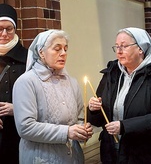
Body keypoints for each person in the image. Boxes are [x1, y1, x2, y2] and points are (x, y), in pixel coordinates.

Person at [87, 27, 151, 164]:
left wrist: (124, 126)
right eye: (117, 46)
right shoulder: (111, 74)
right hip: (111, 153)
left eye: (124, 46)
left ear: (140, 49)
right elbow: (97, 120)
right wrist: (93, 109)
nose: (119, 51)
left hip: (144, 154)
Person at [13, 29, 93, 164]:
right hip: (41, 157)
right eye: (57, 49)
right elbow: (25, 127)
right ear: (41, 53)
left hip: (72, 157)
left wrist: (83, 129)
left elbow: (78, 117)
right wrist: (67, 132)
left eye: (65, 49)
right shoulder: (26, 82)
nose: (63, 53)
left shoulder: (71, 82)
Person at [0, 3, 28, 164]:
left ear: (15, 29)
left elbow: (41, 96)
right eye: (0, 28)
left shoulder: (29, 58)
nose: (4, 34)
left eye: (9, 29)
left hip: (19, 134)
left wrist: (17, 108)